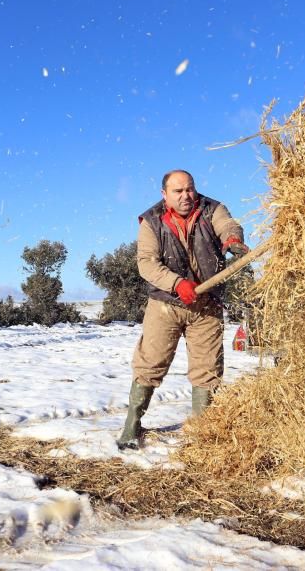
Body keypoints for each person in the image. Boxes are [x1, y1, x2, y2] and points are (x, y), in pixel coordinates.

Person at [117, 169, 249, 450]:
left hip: (207, 305)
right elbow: (147, 264)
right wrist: (177, 284)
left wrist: (232, 240)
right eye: (178, 191)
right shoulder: (150, 221)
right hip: (165, 305)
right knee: (150, 363)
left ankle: (203, 433)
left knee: (208, 368)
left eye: (190, 189)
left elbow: (227, 224)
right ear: (164, 194)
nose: (186, 196)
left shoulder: (212, 208)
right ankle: (132, 426)